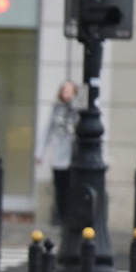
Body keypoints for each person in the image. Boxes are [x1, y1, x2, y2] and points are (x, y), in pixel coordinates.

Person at [36, 80, 79, 225]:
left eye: (68, 89)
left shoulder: (78, 109)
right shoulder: (56, 108)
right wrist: (40, 153)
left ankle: (71, 218)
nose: (65, 92)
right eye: (63, 89)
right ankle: (62, 218)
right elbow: (47, 130)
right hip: (58, 157)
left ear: (74, 91)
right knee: (60, 189)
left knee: (72, 189)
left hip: (73, 157)